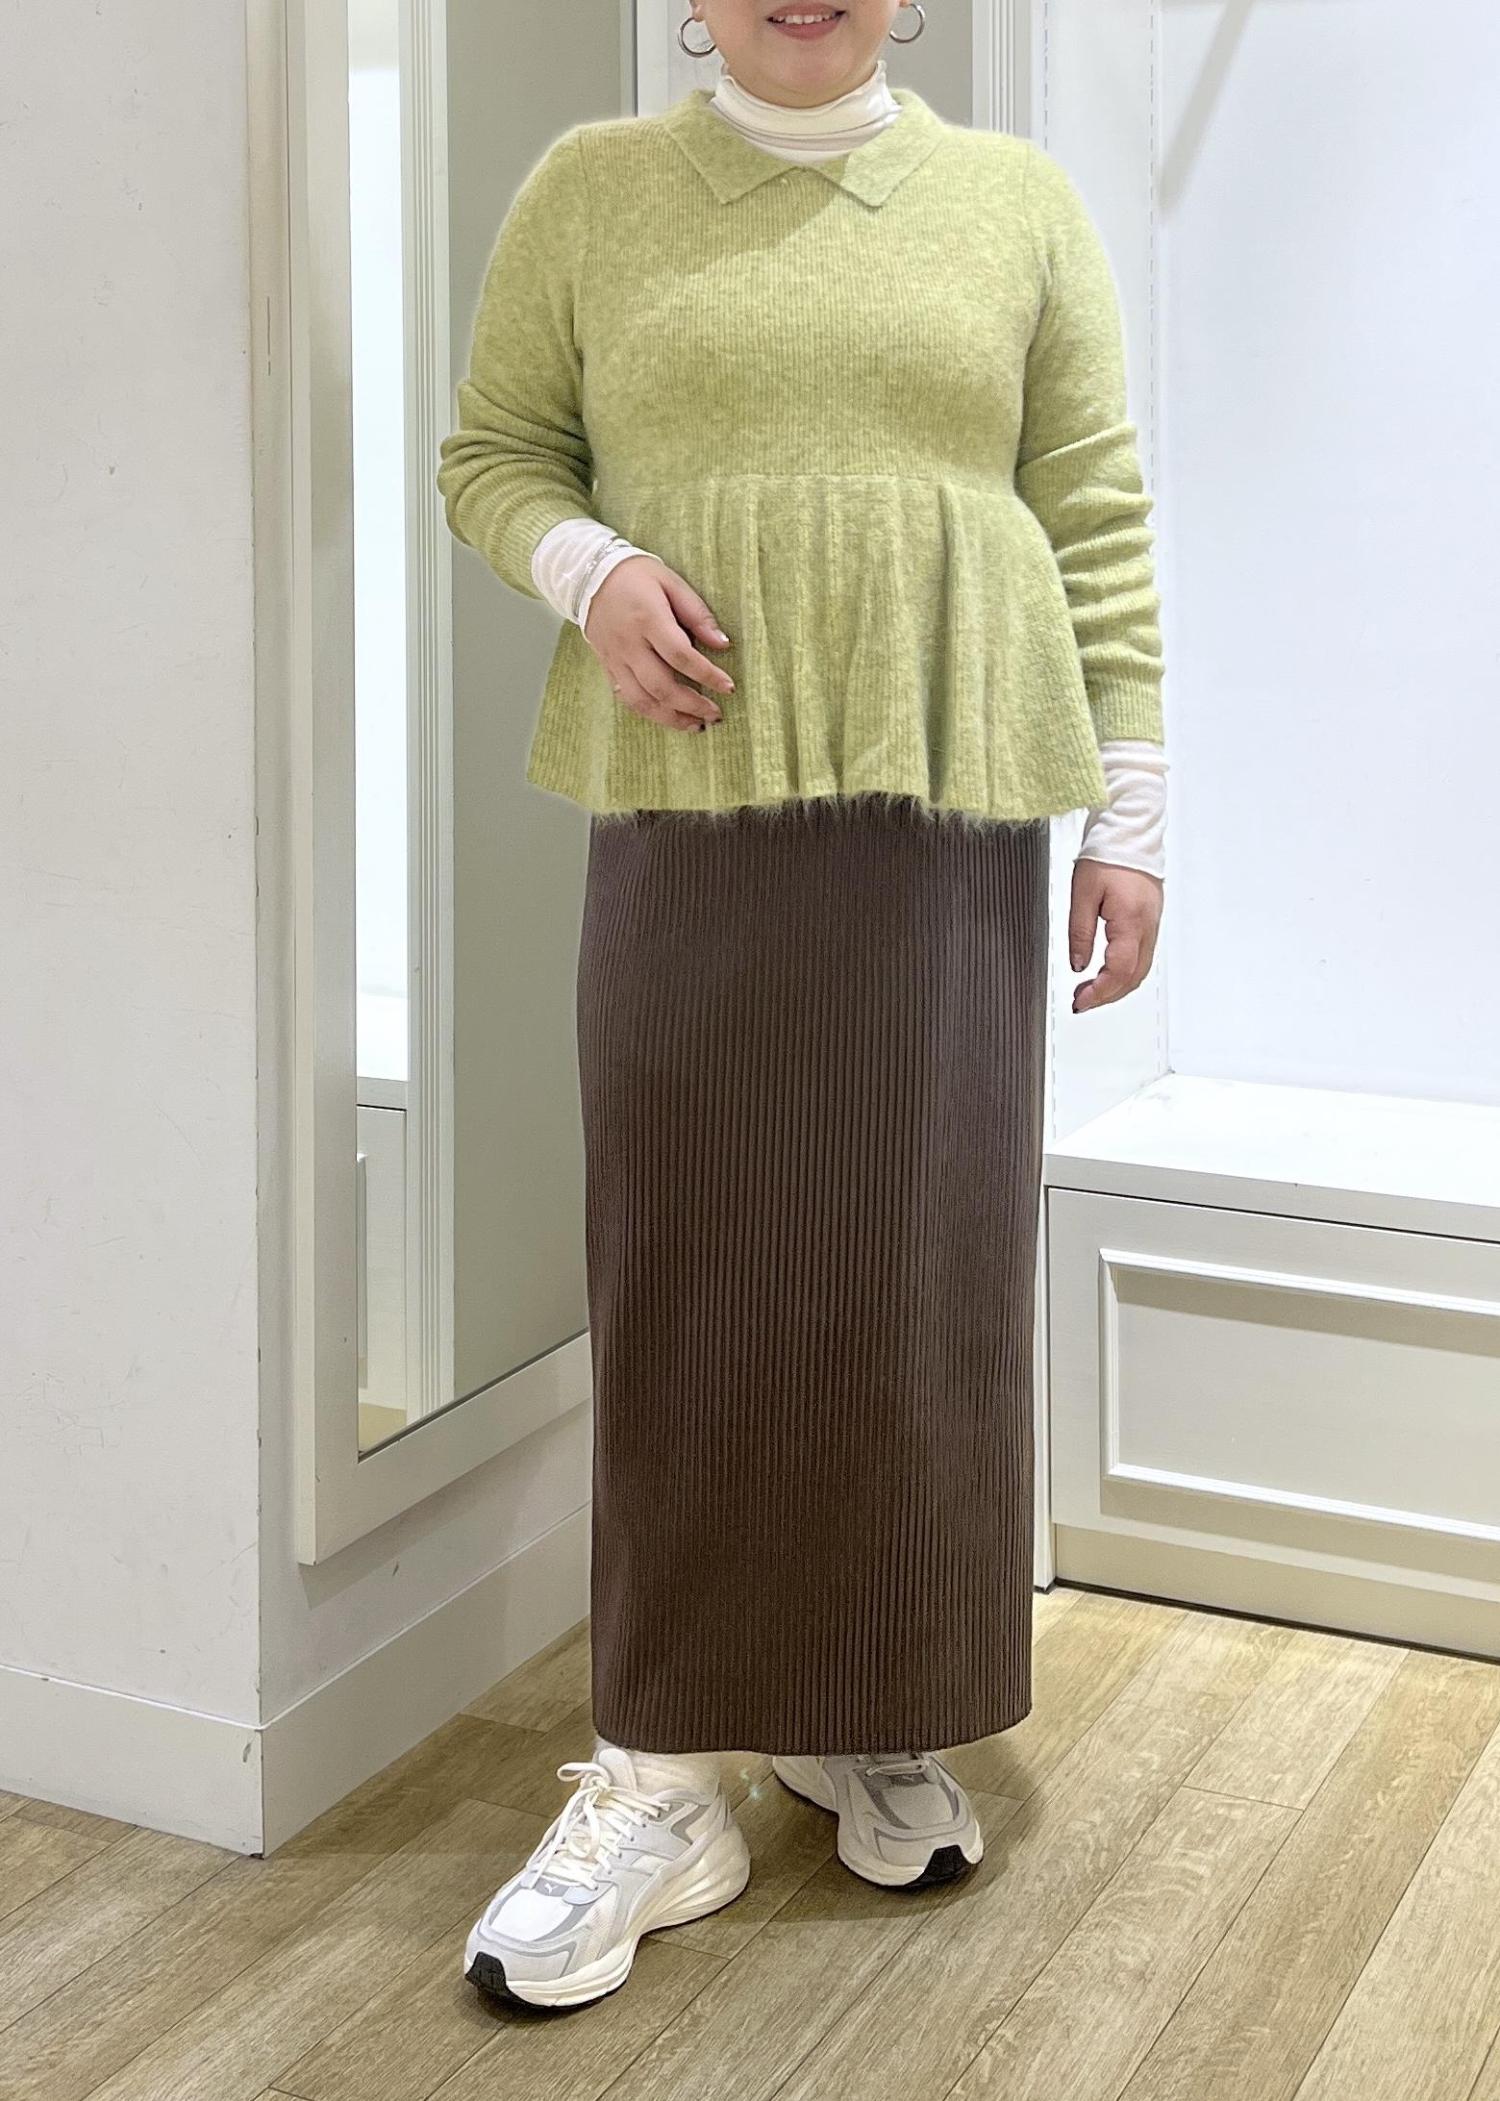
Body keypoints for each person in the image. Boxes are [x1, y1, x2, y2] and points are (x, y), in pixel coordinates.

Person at [437, 0, 1167, 2014]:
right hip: (691, 790)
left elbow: (1094, 509)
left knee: (917, 1268)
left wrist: (1135, 816)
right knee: (689, 1263)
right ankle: (664, 1769)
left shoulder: (1016, 204)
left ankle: (866, 1704)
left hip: (951, 797)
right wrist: (590, 568)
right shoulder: (592, 191)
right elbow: (492, 456)